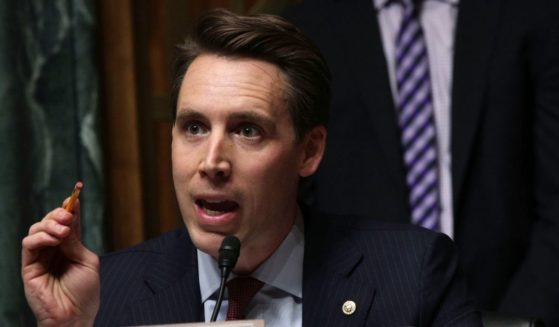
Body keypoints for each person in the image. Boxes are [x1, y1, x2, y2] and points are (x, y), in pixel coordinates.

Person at [22, 9, 481, 327]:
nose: (212, 162)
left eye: (247, 131)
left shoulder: (412, 275)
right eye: (195, 127)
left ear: (309, 152)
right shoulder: (106, 294)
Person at [284, 0, 559, 325]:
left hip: (505, 303)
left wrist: (517, 321)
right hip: (356, 310)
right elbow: (297, 197)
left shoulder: (531, 14)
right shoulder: (308, 23)